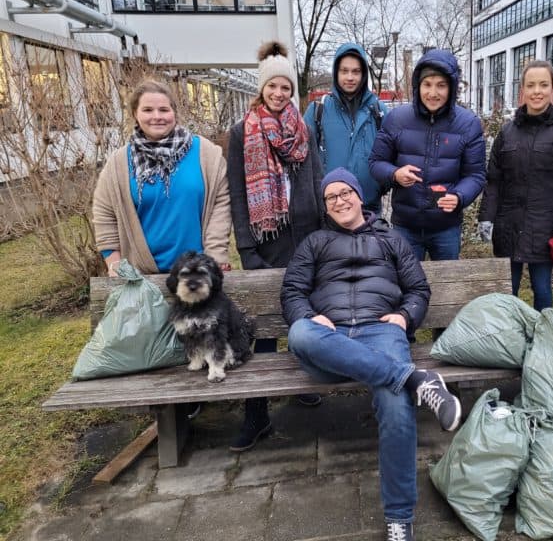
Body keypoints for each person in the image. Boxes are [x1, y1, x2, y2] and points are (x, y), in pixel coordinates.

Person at [281, 167, 462, 541]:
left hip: (380, 330)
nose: (340, 201)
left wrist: (404, 316)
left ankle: (399, 518)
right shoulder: (314, 243)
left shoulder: (392, 240)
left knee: (396, 408)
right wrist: (309, 315)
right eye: (331, 197)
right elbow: (292, 292)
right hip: (329, 339)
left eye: (345, 192)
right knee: (300, 333)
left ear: (360, 196)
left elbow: (418, 289)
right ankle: (413, 380)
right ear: (326, 207)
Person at [227, 41, 324, 452]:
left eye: (286, 87)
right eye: (273, 87)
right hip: (265, 245)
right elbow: (236, 194)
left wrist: (323, 235)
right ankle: (257, 413)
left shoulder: (303, 130)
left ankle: (303, 384)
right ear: (262, 89)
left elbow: (317, 181)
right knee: (264, 333)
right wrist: (247, 249)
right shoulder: (240, 133)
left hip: (306, 240)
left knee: (303, 318)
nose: (280, 93)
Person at [93, 79, 230, 277]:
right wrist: (114, 265)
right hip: (141, 276)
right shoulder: (118, 164)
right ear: (135, 114)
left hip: (198, 273)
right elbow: (104, 214)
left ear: (174, 113)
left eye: (164, 110)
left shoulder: (206, 154)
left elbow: (221, 205)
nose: (157, 117)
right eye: (147, 110)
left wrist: (216, 256)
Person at [478, 60, 553, 311]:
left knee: (542, 289)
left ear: (552, 88)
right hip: (508, 226)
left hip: (544, 228)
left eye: (543, 85)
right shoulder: (507, 132)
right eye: (531, 85)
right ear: (522, 90)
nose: (537, 91)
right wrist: (486, 217)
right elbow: (494, 180)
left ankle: (542, 340)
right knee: (507, 290)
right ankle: (508, 341)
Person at [369, 49, 486, 261]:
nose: (433, 93)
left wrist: (459, 196)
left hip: (446, 227)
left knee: (448, 287)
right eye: (427, 84)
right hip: (405, 225)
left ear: (451, 88)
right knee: (407, 287)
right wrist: (394, 174)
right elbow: (376, 163)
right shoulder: (396, 119)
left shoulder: (468, 124)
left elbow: (476, 175)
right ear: (418, 86)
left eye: (441, 85)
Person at [304, 42, 388, 212]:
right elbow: (304, 158)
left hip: (369, 209)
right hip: (331, 209)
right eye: (344, 71)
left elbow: (392, 154)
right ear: (336, 73)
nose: (350, 77)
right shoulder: (318, 110)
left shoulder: (379, 111)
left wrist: (381, 186)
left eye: (356, 71)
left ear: (364, 74)